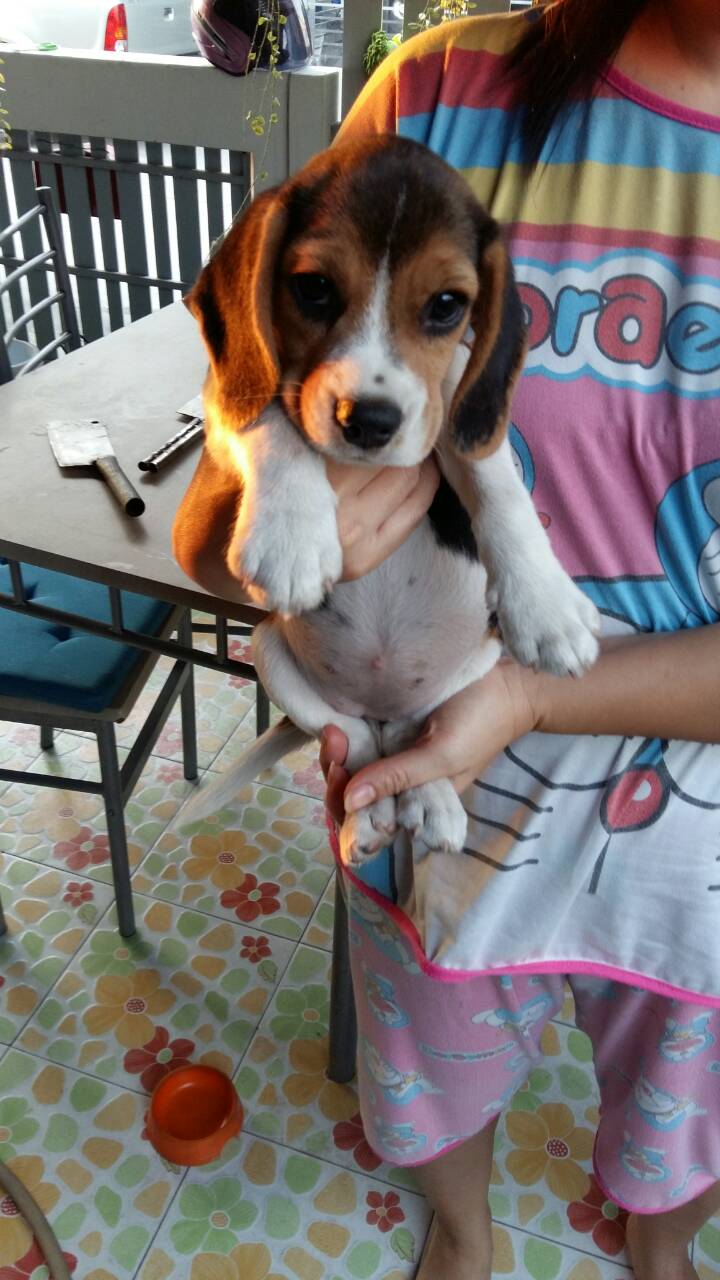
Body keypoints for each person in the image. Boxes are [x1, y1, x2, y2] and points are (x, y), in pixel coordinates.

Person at [316, 3, 720, 1277]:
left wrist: (535, 698)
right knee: (430, 1071)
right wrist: (244, 538)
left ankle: (660, 1243)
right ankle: (465, 1228)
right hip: (435, 776)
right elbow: (250, 405)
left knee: (687, 1117)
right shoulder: (439, 90)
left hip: (696, 853)